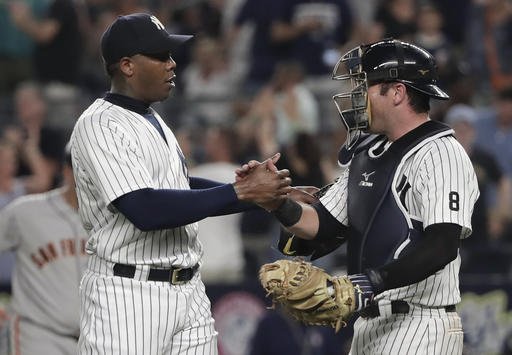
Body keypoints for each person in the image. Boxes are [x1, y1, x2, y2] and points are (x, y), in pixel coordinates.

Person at [69, 13, 291, 354]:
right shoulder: (99, 124)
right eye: (160, 56)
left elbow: (179, 186)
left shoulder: (151, 116)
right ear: (127, 66)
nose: (172, 64)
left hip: (187, 290)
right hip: (129, 296)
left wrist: (266, 194)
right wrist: (239, 191)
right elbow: (143, 208)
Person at [239, 39, 480, 354]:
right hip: (369, 324)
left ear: (397, 92)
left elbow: (442, 245)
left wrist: (367, 283)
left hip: (421, 323)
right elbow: (321, 225)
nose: (357, 94)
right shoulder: (367, 152)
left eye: (365, 84)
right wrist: (276, 202)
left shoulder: (441, 152)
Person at [0, 145, 88, 355]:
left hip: (91, 341)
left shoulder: (112, 220)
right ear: (67, 171)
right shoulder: (26, 212)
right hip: (37, 336)